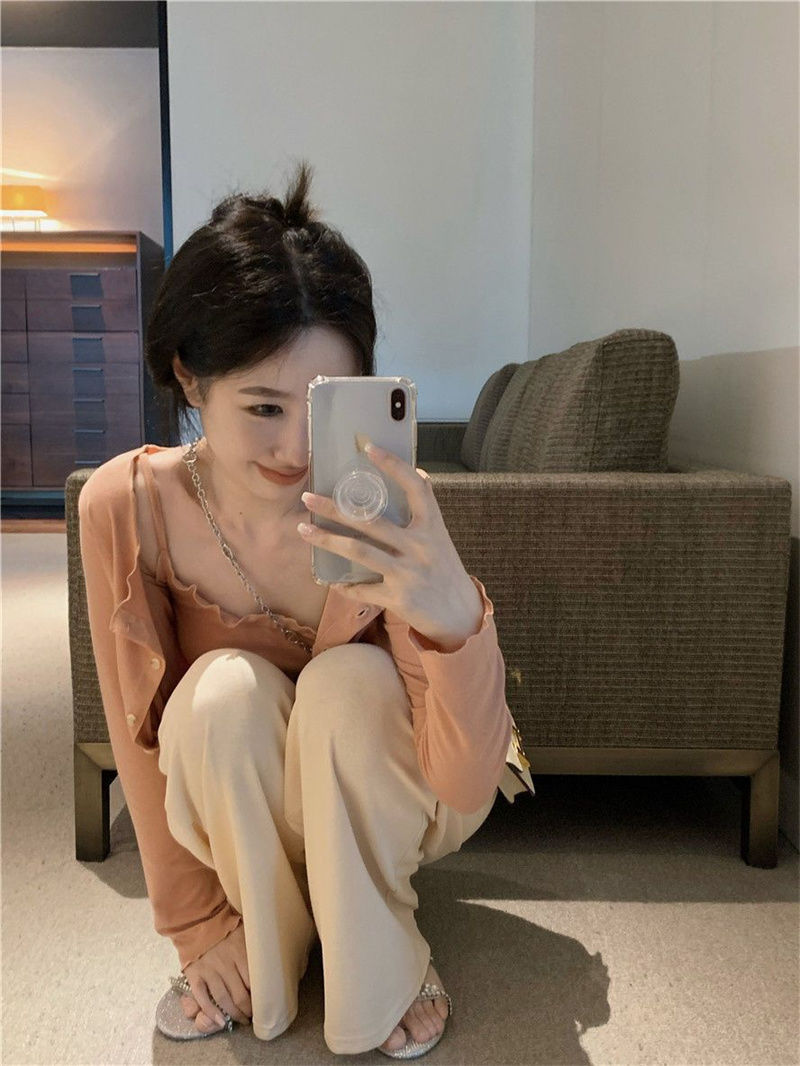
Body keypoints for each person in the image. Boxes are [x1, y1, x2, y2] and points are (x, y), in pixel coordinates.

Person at [78, 161, 518, 1057]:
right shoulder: (127, 506)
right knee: (220, 691)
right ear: (189, 379)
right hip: (238, 789)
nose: (294, 450)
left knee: (347, 683)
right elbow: (139, 734)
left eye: (320, 410)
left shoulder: (384, 506)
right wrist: (195, 925)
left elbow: (463, 785)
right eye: (263, 407)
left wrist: (452, 618)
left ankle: (381, 939)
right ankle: (265, 938)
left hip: (399, 787)